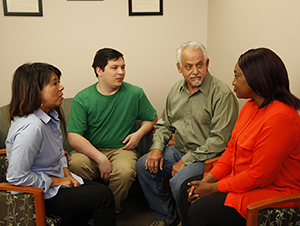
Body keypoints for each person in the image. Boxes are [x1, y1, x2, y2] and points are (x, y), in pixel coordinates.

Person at [179, 47, 300, 226]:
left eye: (237, 76)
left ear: (256, 79)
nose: (233, 82)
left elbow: (259, 176)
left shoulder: (281, 117)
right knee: (187, 188)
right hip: (243, 179)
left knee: (200, 210)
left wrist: (214, 188)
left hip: (272, 190)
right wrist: (208, 179)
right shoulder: (251, 106)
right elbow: (231, 150)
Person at [136, 41, 239, 226]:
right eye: (189, 66)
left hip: (208, 158)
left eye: (199, 65)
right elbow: (165, 125)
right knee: (144, 165)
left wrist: (186, 160)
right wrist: (156, 149)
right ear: (179, 68)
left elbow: (219, 140)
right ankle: (165, 215)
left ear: (207, 63)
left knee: (179, 183)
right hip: (179, 150)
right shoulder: (176, 90)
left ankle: (187, 221)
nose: (195, 71)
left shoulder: (222, 94)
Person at [5, 63, 115, 226]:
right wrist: (57, 181)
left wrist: (67, 174)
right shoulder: (31, 128)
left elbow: (58, 152)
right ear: (36, 91)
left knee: (100, 190)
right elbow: (16, 177)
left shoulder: (49, 117)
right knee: (104, 197)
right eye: (54, 83)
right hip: (37, 194)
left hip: (53, 180)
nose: (61, 87)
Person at [67, 47, 158, 213]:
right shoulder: (82, 98)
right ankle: (90, 207)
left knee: (125, 172)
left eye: (123, 67)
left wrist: (139, 134)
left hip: (122, 149)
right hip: (91, 151)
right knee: (75, 164)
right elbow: (74, 137)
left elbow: (152, 118)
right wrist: (101, 159)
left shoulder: (135, 93)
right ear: (99, 71)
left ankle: (108, 210)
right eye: (114, 68)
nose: (121, 72)